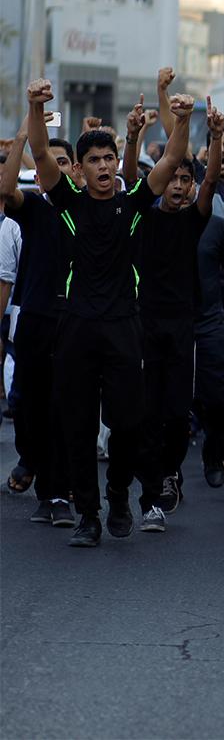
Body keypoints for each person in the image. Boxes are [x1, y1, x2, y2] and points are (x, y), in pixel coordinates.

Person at [26, 78, 190, 547]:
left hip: (124, 328)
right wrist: (36, 107)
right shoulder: (68, 204)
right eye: (93, 161)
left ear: (118, 164)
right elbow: (40, 155)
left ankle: (119, 495)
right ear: (78, 169)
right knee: (76, 425)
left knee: (127, 423)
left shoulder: (133, 204)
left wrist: (181, 119)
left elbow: (173, 160)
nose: (102, 166)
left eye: (108, 159)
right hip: (75, 327)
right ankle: (88, 515)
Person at [130, 97, 222, 524]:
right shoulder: (143, 218)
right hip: (146, 325)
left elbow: (210, 187)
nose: (179, 186)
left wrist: (216, 139)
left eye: (186, 179)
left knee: (176, 411)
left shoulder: (195, 220)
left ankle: (170, 472)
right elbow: (132, 179)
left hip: (184, 327)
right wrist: (135, 137)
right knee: (147, 411)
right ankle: (152, 489)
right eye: (173, 179)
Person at [0, 124, 73, 527]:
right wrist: (24, 138)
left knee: (63, 412)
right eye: (50, 164)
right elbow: (7, 188)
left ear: (76, 170)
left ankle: (57, 494)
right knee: (28, 407)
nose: (56, 172)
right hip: (35, 322)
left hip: (77, 325)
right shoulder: (35, 209)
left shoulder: (89, 209)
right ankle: (33, 460)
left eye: (63, 164)